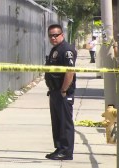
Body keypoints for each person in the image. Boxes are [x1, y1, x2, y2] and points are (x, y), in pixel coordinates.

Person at [44, 24, 76, 160]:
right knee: (57, 122)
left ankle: (66, 151)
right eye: (50, 35)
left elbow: (70, 72)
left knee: (65, 123)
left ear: (62, 34)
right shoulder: (55, 49)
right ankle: (59, 148)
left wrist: (63, 90)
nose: (53, 38)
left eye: (55, 35)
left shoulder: (66, 50)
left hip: (63, 92)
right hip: (54, 91)